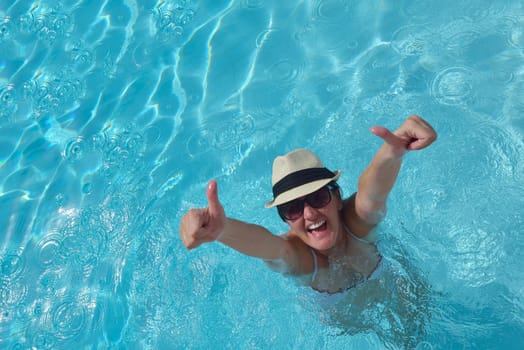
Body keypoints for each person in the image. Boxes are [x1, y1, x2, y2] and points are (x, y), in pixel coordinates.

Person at [179, 115, 437, 294]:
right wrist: (223, 230)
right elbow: (270, 247)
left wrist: (392, 152)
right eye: (293, 208)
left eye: (317, 197)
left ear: (337, 198)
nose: (310, 213)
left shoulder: (356, 223)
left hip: (401, 292)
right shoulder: (300, 257)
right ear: (286, 220)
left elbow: (371, 194)